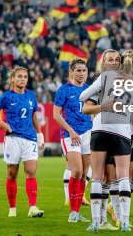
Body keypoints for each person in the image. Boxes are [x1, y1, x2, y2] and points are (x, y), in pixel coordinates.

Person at [80, 50, 133, 232]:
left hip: (100, 129)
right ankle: (124, 222)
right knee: (122, 176)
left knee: (98, 177)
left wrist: (103, 105)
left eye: (116, 60)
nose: (114, 62)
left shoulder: (105, 77)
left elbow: (82, 97)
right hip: (122, 130)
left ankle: (95, 223)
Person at [0, 66, 45, 218]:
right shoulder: (6, 96)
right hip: (12, 139)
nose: (22, 79)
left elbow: (33, 116)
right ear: (12, 79)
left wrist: (40, 134)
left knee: (31, 172)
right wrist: (4, 124)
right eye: (19, 76)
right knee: (12, 174)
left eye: (25, 76)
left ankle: (32, 208)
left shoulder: (31, 96)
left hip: (30, 138)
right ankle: (12, 208)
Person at [53, 59, 92, 223]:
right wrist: (71, 130)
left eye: (84, 70)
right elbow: (56, 114)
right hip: (70, 135)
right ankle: (72, 212)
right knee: (76, 170)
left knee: (84, 174)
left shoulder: (90, 90)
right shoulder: (64, 90)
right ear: (72, 72)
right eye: (78, 70)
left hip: (88, 134)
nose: (81, 73)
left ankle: (76, 212)